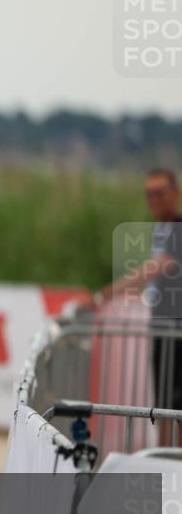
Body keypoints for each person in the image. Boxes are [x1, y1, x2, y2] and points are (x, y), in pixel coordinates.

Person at [95, 167, 182, 411]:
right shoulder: (160, 229)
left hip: (176, 330)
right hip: (163, 325)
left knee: (174, 406)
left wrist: (107, 293)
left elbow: (153, 269)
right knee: (163, 404)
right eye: (149, 194)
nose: (153, 199)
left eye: (160, 192)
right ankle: (165, 450)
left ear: (176, 193)